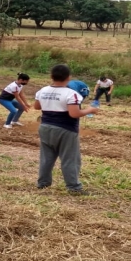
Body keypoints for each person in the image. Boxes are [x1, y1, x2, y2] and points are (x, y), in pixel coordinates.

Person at [35, 64, 99, 195]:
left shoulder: (42, 91)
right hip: (65, 129)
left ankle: (43, 183)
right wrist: (90, 110)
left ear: (51, 76)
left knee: (46, 157)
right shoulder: (72, 94)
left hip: (45, 127)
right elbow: (74, 114)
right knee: (70, 158)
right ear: (69, 77)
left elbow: (37, 106)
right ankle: (74, 187)